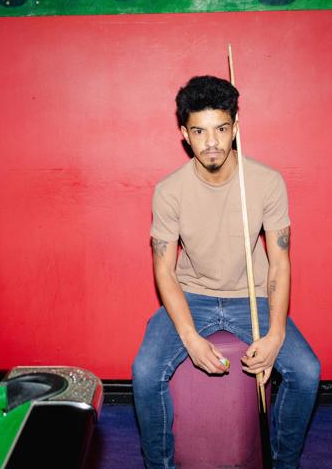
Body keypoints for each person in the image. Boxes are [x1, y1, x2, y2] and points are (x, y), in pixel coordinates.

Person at [133, 75, 320, 469]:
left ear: (235, 127)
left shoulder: (266, 182)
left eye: (221, 129)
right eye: (199, 131)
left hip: (250, 295)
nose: (212, 142)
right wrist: (190, 338)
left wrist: (276, 334)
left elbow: (279, 262)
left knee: (307, 371)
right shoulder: (169, 190)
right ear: (185, 134)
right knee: (145, 371)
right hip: (193, 295)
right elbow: (164, 270)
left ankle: (284, 464)